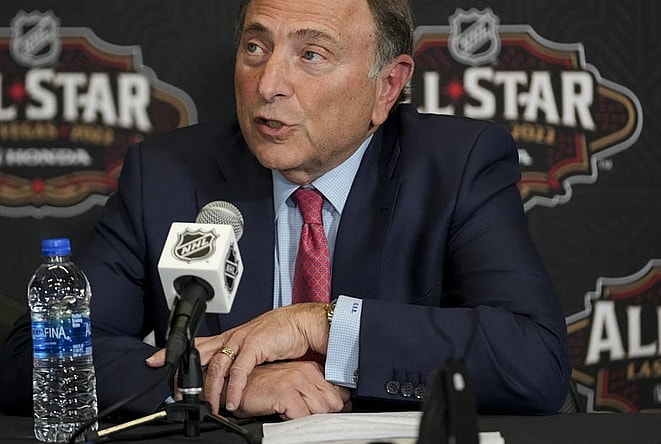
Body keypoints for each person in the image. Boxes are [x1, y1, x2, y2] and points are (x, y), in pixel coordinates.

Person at [0, 0, 570, 419]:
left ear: (387, 87)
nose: (268, 83)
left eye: (311, 54)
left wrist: (318, 326)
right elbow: (35, 355)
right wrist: (221, 382)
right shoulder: (167, 175)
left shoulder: (455, 167)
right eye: (255, 46)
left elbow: (533, 360)